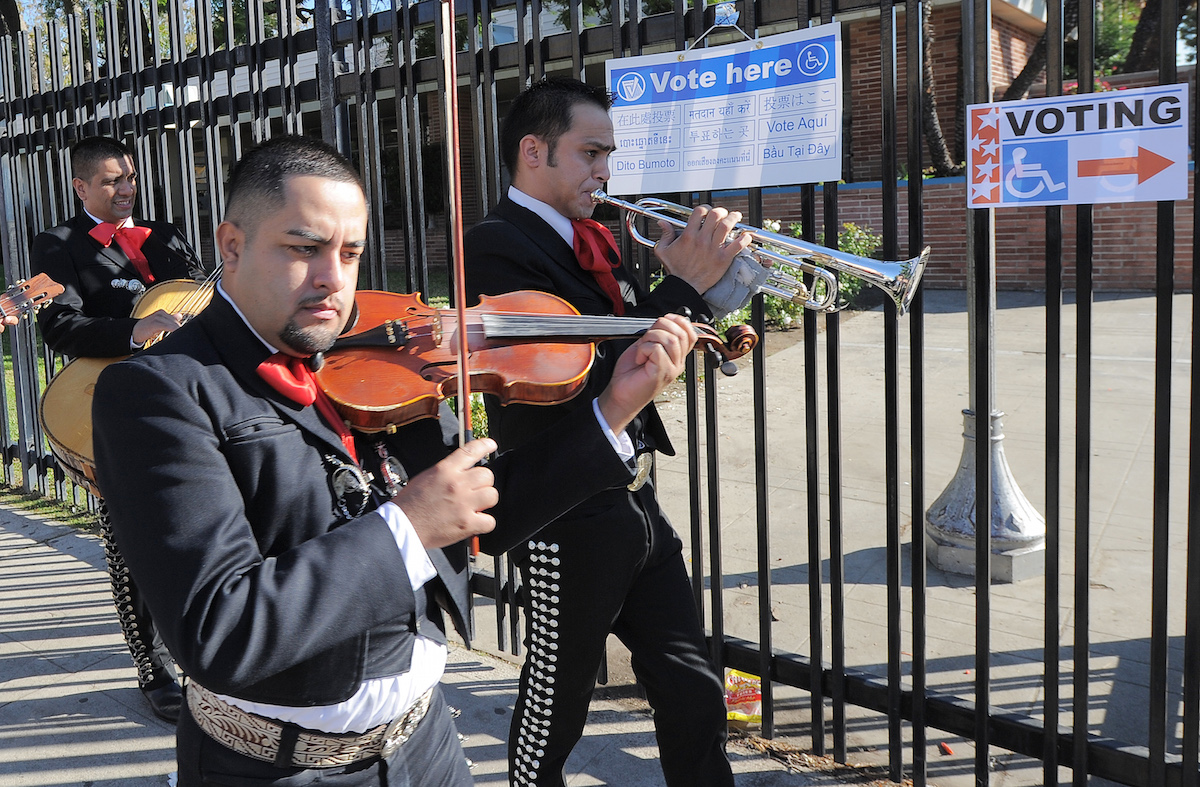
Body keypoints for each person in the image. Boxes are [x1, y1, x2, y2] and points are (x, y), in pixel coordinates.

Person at [91, 134, 699, 785]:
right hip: (275, 767)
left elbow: (478, 504)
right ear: (232, 245)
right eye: (304, 248)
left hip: (427, 746)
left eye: (349, 253)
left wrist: (611, 409)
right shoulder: (158, 392)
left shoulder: (377, 358)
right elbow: (219, 628)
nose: (334, 278)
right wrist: (404, 527)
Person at [464, 77, 754, 787]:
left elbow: (638, 337)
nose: (606, 170)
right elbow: (593, 372)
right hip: (564, 513)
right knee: (553, 712)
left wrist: (715, 309)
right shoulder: (496, 246)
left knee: (693, 689)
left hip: (634, 499)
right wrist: (682, 289)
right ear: (534, 151)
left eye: (609, 153)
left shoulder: (592, 238)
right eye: (591, 152)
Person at [30, 136, 206, 723]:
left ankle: (210, 652)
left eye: (129, 176)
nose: (126, 187)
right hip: (116, 404)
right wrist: (134, 331)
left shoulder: (167, 235)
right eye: (110, 180)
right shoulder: (57, 245)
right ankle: (153, 667)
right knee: (128, 539)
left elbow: (211, 301)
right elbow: (56, 325)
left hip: (191, 400)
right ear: (81, 188)